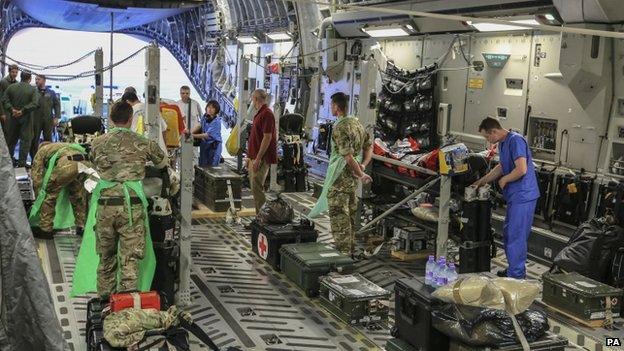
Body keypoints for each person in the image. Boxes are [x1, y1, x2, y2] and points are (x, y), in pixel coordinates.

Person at [72, 101, 168, 298]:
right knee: (129, 260)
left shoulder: (97, 143)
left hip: (106, 207)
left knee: (106, 258)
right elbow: (163, 162)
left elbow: (91, 161)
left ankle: (105, 303)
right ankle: (125, 307)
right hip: (131, 208)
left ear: (110, 119)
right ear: (131, 119)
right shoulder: (142, 142)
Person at [473, 117, 539, 279]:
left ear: (494, 131)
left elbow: (522, 169)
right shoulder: (503, 143)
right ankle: (513, 270)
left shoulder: (515, 141)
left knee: (516, 235)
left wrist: (505, 179)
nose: (488, 141)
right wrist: (481, 182)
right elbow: (501, 166)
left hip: (523, 196)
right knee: (510, 233)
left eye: (487, 137)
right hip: (515, 197)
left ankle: (516, 276)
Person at [309, 92, 372, 255]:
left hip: (339, 179)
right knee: (350, 215)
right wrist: (363, 166)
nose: (331, 108)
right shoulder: (358, 124)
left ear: (336, 107)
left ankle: (343, 256)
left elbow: (348, 157)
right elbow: (369, 146)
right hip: (351, 181)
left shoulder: (340, 127)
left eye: (331, 105)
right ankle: (349, 250)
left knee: (339, 217)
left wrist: (361, 174)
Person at [28, 141, 89, 239]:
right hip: (85, 163)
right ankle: (81, 226)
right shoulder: (61, 146)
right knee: (78, 195)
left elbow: (36, 177)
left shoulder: (41, 151)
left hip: (67, 164)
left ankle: (45, 230)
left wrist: (38, 197)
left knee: (49, 196)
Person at [247, 89, 277, 212]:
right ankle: (259, 218)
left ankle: (262, 219)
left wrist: (258, 158)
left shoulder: (267, 114)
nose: (251, 101)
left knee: (257, 188)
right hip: (254, 157)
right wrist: (249, 157)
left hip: (261, 158)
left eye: (252, 98)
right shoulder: (259, 114)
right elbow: (256, 137)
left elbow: (267, 137)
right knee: (254, 188)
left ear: (256, 99)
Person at [3, 71, 39, 167]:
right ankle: (22, 164)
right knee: (25, 142)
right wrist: (23, 111)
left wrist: (12, 109)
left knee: (11, 141)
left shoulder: (11, 87)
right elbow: (35, 104)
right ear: (30, 78)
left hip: (13, 118)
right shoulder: (33, 90)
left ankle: (8, 163)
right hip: (26, 119)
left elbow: (4, 100)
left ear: (21, 76)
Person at [30, 75, 61, 159]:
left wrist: (57, 117)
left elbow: (57, 105)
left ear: (44, 81)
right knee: (34, 139)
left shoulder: (51, 92)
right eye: (35, 79)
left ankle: (48, 157)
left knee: (48, 138)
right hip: (36, 119)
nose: (36, 81)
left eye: (38, 79)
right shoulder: (33, 92)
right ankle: (34, 158)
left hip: (48, 119)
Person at [192, 100, 222, 167]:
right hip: (204, 145)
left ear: (216, 110)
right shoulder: (205, 116)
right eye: (208, 107)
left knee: (212, 167)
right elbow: (200, 125)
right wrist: (191, 132)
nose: (210, 109)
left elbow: (207, 135)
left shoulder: (216, 121)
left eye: (212, 108)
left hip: (213, 147)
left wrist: (193, 135)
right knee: (202, 165)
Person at [0, 64, 18, 134]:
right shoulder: (3, 82)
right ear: (9, 72)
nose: (15, 74)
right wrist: (2, 113)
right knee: (6, 132)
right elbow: (0, 98)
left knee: (12, 133)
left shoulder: (17, 83)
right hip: (5, 111)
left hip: (13, 112)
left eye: (16, 72)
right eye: (13, 72)